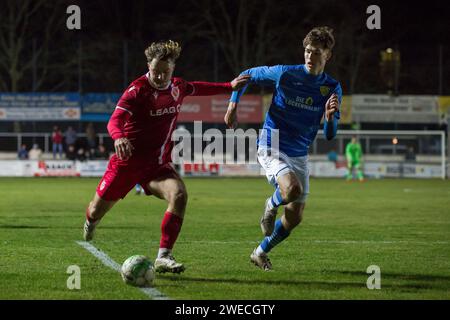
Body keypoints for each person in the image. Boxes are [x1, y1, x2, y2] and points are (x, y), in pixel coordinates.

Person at [82, 40, 250, 274]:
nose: (160, 77)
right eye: (155, 71)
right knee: (96, 210)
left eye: (165, 72)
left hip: (156, 166)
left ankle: (164, 256)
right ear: (148, 67)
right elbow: (115, 120)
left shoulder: (177, 87)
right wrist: (119, 137)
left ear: (172, 69)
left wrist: (228, 86)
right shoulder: (137, 90)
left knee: (179, 195)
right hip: (127, 163)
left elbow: (198, 88)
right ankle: (91, 222)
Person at [224, 26, 342, 271]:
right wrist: (232, 106)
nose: (310, 56)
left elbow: (330, 135)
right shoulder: (285, 73)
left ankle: (259, 252)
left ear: (327, 55)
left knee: (295, 217)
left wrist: (330, 118)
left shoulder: (331, 88)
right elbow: (247, 75)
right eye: (308, 51)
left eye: (317, 52)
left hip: (299, 152)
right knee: (291, 189)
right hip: (272, 141)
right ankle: (270, 204)